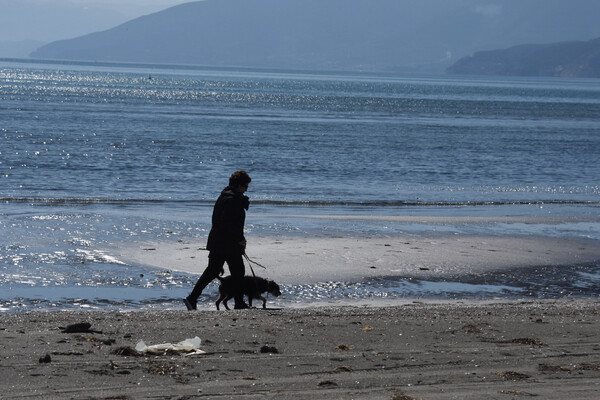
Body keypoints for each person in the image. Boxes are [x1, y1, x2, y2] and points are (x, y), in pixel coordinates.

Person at [183, 170, 252, 310]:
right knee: (238, 272)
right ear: (240, 185)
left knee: (213, 271)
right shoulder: (232, 199)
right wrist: (240, 239)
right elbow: (228, 224)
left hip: (218, 241)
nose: (246, 189)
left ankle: (192, 298)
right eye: (246, 186)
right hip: (227, 243)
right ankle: (239, 303)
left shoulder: (225, 196)